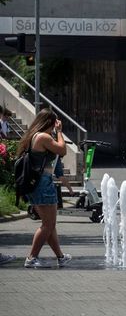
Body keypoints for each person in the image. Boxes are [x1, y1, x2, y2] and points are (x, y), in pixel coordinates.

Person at [17, 108, 72, 268]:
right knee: (48, 224)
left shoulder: (35, 136)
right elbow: (62, 150)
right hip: (42, 183)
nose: (55, 126)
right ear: (49, 122)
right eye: (54, 123)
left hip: (40, 183)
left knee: (50, 224)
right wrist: (60, 131)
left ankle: (60, 257)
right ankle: (31, 258)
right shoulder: (42, 137)